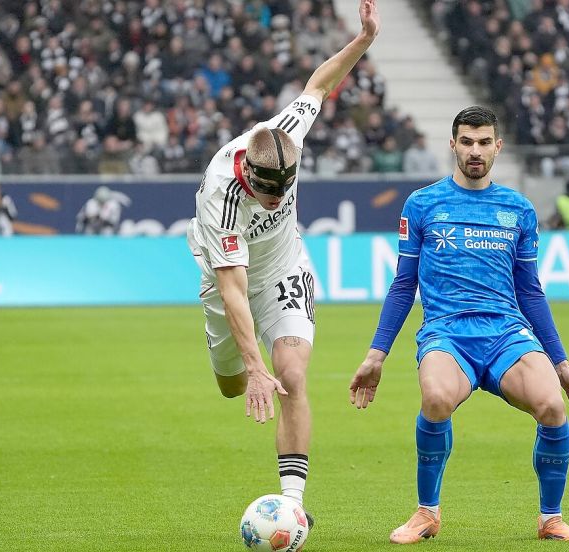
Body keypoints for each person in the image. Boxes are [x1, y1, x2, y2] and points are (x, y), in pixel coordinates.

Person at [349, 106, 569, 544]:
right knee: (436, 398)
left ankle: (551, 519)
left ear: (498, 146)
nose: (475, 151)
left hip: (506, 334)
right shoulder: (422, 204)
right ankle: (427, 513)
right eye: (466, 142)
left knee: (552, 407)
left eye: (483, 142)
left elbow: (530, 291)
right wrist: (375, 354)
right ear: (453, 145)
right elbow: (404, 285)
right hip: (446, 333)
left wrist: (562, 363)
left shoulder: (518, 209)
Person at [186, 0, 380, 525]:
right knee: (232, 386)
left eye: (283, 193)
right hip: (228, 281)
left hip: (285, 269)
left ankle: (292, 503)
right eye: (267, 194)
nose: (276, 202)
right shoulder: (221, 196)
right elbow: (233, 288)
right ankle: (240, 366)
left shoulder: (286, 133)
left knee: (291, 374)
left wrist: (363, 40)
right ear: (248, 174)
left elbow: (319, 85)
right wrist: (252, 367)